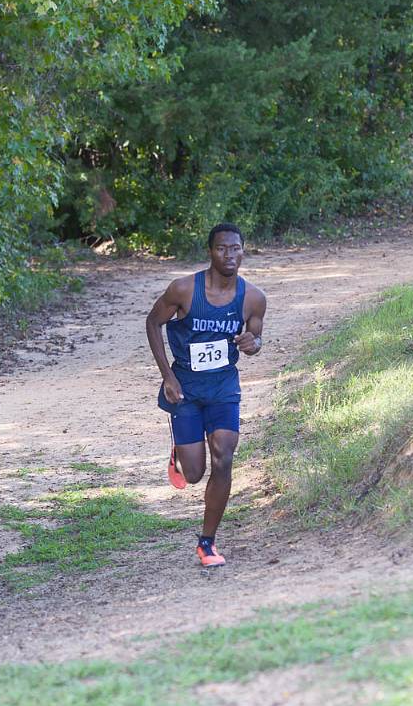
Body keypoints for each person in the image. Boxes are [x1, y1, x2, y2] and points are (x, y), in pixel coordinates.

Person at [146, 222, 266, 568]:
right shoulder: (184, 290)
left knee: (224, 456)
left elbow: (255, 339)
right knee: (194, 473)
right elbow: (153, 323)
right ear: (210, 252)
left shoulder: (253, 298)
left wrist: (252, 343)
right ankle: (180, 453)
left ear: (244, 251)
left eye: (235, 248)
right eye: (221, 249)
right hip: (185, 387)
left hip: (223, 387)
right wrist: (167, 376)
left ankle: (207, 542)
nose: (229, 255)